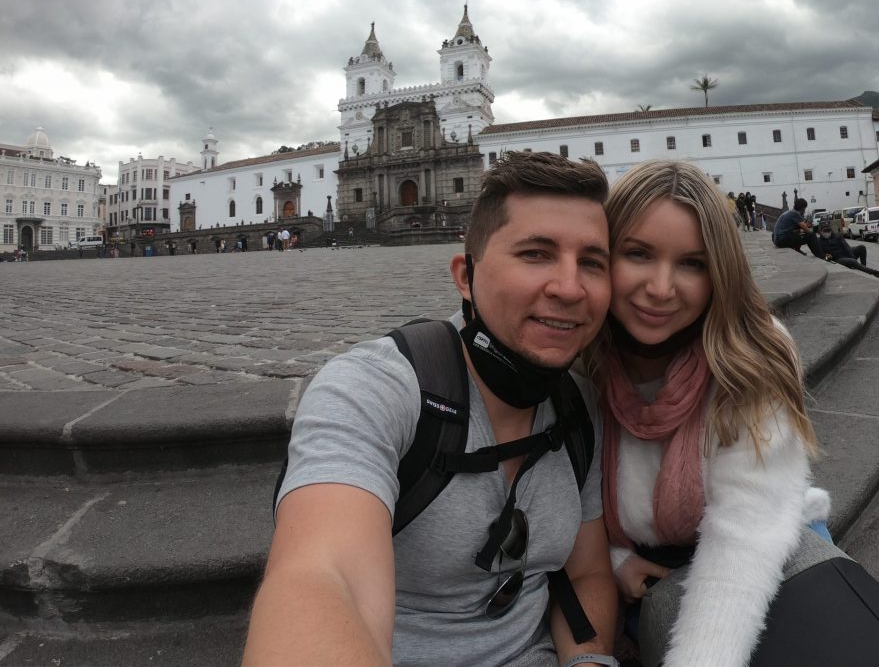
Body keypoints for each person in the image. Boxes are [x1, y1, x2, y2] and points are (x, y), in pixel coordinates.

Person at [245, 152, 619, 667]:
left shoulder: (580, 406)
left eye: (593, 263)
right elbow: (323, 576)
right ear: (465, 276)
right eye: (536, 254)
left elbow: (586, 574)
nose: (570, 287)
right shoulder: (371, 389)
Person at [587, 161, 830, 667]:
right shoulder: (580, 356)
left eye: (692, 264)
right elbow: (552, 493)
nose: (660, 288)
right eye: (637, 254)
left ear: (720, 270)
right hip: (645, 571)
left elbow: (746, 530)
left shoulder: (752, 355)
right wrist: (610, 559)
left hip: (760, 554)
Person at [812, 218, 879, 278]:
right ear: (821, 232)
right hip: (838, 259)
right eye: (825, 231)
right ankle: (874, 272)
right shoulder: (819, 242)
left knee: (861, 248)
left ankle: (863, 268)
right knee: (852, 261)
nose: (827, 233)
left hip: (846, 254)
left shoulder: (837, 236)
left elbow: (846, 247)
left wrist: (852, 257)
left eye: (828, 231)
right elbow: (821, 255)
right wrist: (827, 257)